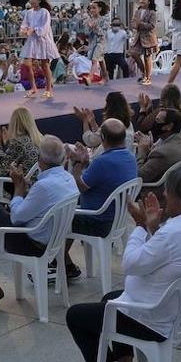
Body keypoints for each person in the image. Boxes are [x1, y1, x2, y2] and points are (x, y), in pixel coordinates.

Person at [65, 165, 181, 362]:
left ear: (179, 198)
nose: (164, 196)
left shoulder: (172, 233)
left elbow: (131, 264)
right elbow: (169, 252)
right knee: (110, 298)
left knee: (75, 316)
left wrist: (140, 226)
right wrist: (153, 228)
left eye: (167, 191)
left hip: (153, 319)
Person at [0, 135, 78, 307]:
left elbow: (17, 217)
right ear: (63, 159)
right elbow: (37, 207)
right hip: (53, 240)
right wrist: (25, 191)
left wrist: (19, 189)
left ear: (40, 160)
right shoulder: (68, 178)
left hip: (31, 243)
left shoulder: (44, 186)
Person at [64, 118, 139, 279]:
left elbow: (79, 186)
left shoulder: (103, 161)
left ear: (103, 138)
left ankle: (56, 262)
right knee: (70, 211)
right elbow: (99, 178)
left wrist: (77, 163)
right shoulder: (130, 157)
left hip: (98, 221)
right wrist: (86, 162)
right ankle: (65, 262)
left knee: (60, 218)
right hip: (118, 218)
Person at [135, 108, 181, 184]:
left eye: (157, 120)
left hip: (157, 190)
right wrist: (150, 149)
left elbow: (139, 176)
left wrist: (141, 152)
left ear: (169, 126)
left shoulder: (162, 153)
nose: (153, 123)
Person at [20, 0, 60, 99]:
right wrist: (23, 30)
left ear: (39, 0)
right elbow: (24, 25)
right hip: (32, 41)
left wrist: (33, 29)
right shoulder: (29, 12)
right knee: (27, 64)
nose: (31, 1)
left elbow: (45, 28)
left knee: (45, 65)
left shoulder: (44, 12)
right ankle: (33, 88)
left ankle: (49, 88)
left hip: (43, 41)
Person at [0, 106, 43, 178]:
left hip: (26, 184)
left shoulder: (18, 142)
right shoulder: (40, 139)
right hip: (41, 180)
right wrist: (7, 143)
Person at [131, 0, 160, 85]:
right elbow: (133, 23)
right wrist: (136, 25)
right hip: (138, 37)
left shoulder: (152, 13)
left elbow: (152, 25)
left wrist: (141, 24)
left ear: (149, 1)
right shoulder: (137, 11)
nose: (141, 1)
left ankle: (148, 77)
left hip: (148, 38)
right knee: (134, 53)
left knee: (147, 57)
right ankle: (144, 73)